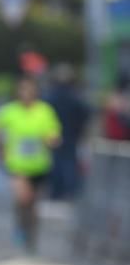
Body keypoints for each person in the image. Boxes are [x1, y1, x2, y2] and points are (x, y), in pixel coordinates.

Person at [0, 76, 62, 253]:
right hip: (17, 165)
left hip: (40, 165)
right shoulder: (9, 111)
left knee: (34, 205)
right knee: (23, 198)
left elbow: (54, 133)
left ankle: (32, 237)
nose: (26, 93)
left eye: (29, 90)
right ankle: (21, 229)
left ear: (36, 92)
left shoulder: (45, 111)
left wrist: (52, 140)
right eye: (22, 90)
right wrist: (0, 148)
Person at [43, 64, 90, 199]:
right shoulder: (75, 97)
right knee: (69, 163)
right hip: (70, 134)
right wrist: (80, 129)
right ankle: (70, 191)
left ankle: (56, 191)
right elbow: (85, 113)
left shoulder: (49, 97)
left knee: (56, 163)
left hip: (54, 135)